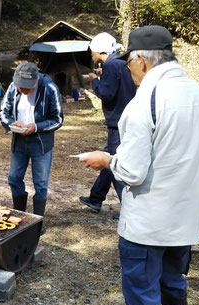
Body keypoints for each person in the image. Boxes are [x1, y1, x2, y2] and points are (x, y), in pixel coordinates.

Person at [79, 25, 199, 305]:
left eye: (128, 62)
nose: (128, 70)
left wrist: (106, 161)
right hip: (185, 220)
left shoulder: (144, 103)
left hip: (147, 225)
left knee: (143, 291)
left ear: (141, 61)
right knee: (173, 283)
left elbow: (132, 171)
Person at [79, 32, 136, 213]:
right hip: (126, 118)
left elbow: (107, 93)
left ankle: (129, 208)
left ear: (99, 50)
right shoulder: (121, 63)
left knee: (115, 163)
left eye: (92, 51)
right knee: (109, 159)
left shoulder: (111, 65)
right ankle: (96, 198)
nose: (91, 55)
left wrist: (94, 81)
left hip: (117, 122)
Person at [0, 62, 63, 217]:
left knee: (40, 184)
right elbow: (3, 112)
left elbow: (58, 119)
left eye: (28, 87)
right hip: (19, 140)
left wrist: (36, 126)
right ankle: (20, 215)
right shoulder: (13, 87)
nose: (23, 90)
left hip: (41, 143)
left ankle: (37, 220)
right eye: (21, 87)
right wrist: (10, 122)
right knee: (14, 178)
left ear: (36, 81)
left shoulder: (50, 89)